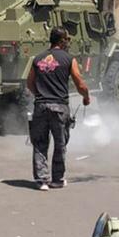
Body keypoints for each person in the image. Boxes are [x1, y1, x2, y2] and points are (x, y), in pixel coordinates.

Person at [26, 27, 91, 191]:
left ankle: (42, 180)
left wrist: (40, 95)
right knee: (60, 144)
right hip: (60, 107)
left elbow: (29, 83)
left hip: (41, 106)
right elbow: (79, 82)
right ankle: (57, 180)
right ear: (62, 41)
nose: (68, 42)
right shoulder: (69, 59)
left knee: (40, 143)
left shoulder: (38, 58)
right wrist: (86, 97)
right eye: (67, 39)